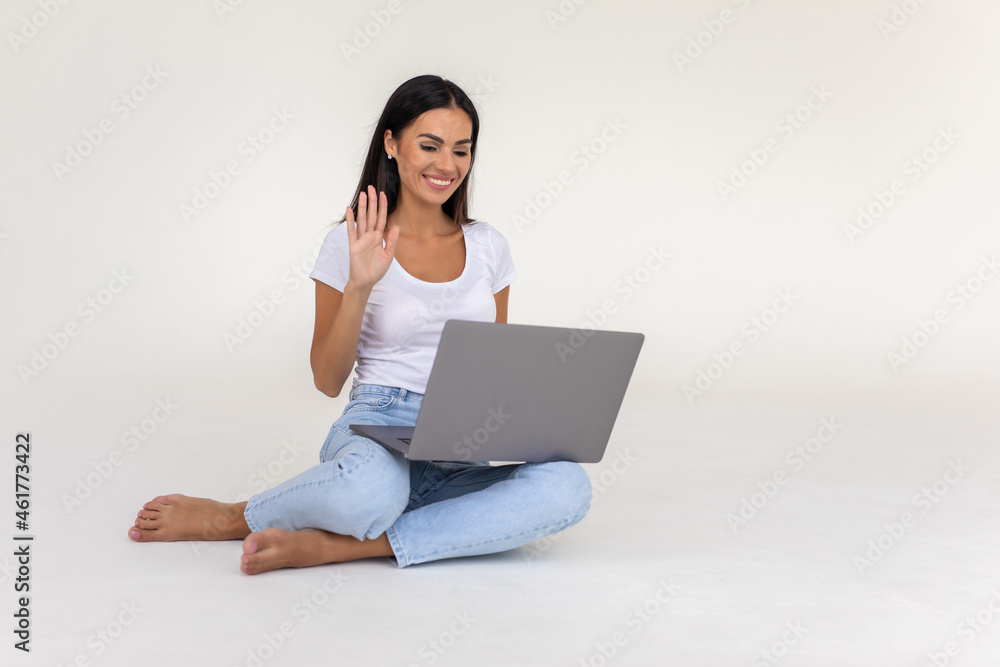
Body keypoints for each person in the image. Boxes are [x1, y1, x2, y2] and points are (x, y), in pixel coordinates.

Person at [127, 74, 592, 573]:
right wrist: (360, 285)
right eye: (429, 146)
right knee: (367, 491)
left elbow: (492, 368)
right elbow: (327, 380)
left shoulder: (489, 246)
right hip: (380, 424)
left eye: (462, 150)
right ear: (392, 144)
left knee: (567, 485)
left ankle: (347, 545)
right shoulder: (349, 244)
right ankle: (237, 516)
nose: (446, 165)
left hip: (461, 440)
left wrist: (538, 413)